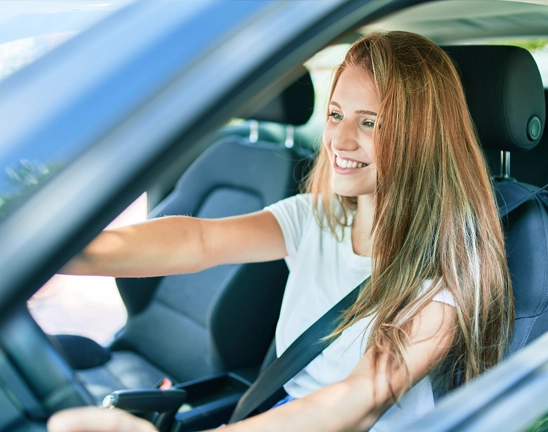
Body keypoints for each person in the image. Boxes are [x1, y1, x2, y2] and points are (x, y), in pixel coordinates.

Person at [47, 30, 513, 432]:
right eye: (335, 115)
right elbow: (199, 240)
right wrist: (57, 252)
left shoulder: (447, 269)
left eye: (370, 122)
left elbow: (359, 400)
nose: (340, 140)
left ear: (421, 134)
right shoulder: (319, 216)